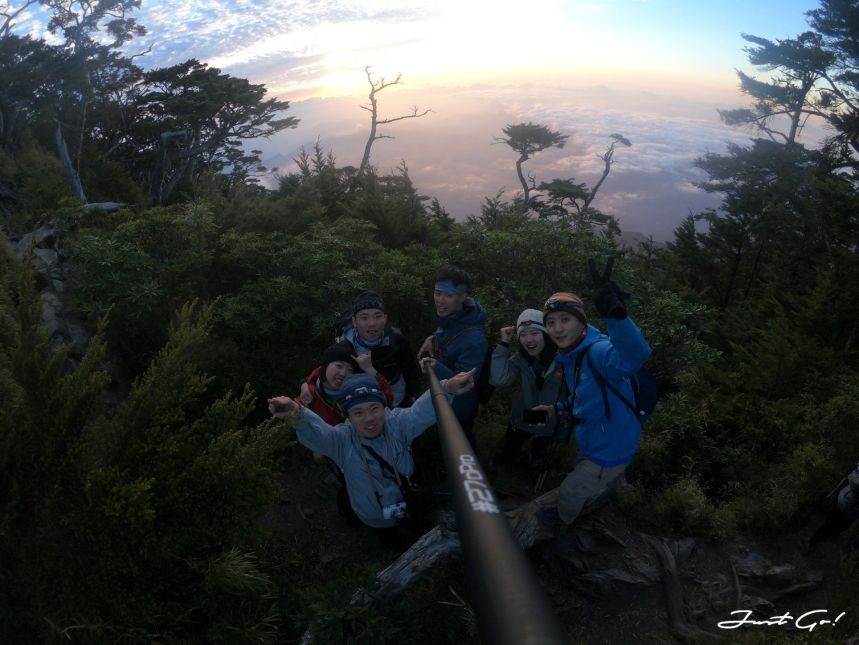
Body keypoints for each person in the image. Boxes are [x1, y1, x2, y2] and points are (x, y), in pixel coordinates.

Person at [268, 365, 476, 551]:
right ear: (347, 415)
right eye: (358, 413)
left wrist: (447, 388)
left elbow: (420, 411)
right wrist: (297, 414)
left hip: (410, 503)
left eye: (374, 408)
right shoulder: (342, 441)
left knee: (417, 528)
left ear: (383, 407)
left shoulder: (397, 425)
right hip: (373, 517)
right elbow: (318, 433)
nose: (369, 419)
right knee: (393, 543)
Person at [539, 258, 652, 530]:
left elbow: (636, 354)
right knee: (585, 480)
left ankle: (562, 528)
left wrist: (616, 316)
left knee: (569, 493)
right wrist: (557, 409)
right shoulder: (571, 356)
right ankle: (604, 489)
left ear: (582, 324)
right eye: (551, 322)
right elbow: (584, 394)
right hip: (594, 441)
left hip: (609, 450)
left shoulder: (598, 352)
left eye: (565, 319)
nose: (557, 328)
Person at [417, 266, 488, 449]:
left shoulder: (474, 340)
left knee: (458, 443)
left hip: (459, 407)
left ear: (464, 297)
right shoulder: (453, 318)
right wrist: (431, 339)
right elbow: (446, 334)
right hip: (443, 394)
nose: (440, 300)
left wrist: (433, 366)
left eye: (448, 295)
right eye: (438, 293)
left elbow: (466, 382)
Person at [489, 308, 563, 468]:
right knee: (509, 450)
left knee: (539, 451)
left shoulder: (562, 360)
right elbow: (499, 380)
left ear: (545, 334)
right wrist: (503, 344)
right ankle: (494, 470)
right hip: (524, 416)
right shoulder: (519, 360)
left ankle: (532, 468)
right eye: (523, 335)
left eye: (534, 333)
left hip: (551, 419)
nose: (529, 340)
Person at [337, 290, 422, 407]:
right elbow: (329, 373)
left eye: (378, 316)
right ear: (354, 321)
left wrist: (414, 394)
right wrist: (306, 383)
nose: (372, 323)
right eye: (364, 317)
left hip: (397, 400)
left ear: (385, 318)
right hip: (362, 406)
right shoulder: (345, 345)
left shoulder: (396, 339)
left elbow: (410, 368)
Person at [809, 462, 859, 547]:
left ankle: (813, 542)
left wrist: (856, 471)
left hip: (847, 507)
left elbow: (856, 483)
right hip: (846, 505)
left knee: (832, 527)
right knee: (831, 526)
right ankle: (813, 542)